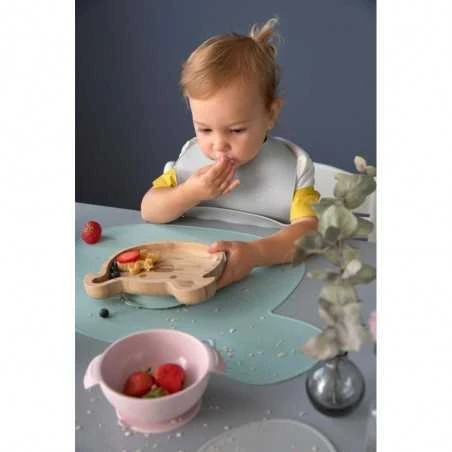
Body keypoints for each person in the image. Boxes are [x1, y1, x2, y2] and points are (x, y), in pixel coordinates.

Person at [141, 18, 320, 289]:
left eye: (235, 130)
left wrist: (254, 254)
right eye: (204, 129)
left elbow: (309, 232)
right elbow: (149, 210)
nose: (218, 145)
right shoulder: (191, 161)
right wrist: (190, 193)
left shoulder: (293, 167)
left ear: (271, 114)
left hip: (265, 278)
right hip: (189, 274)